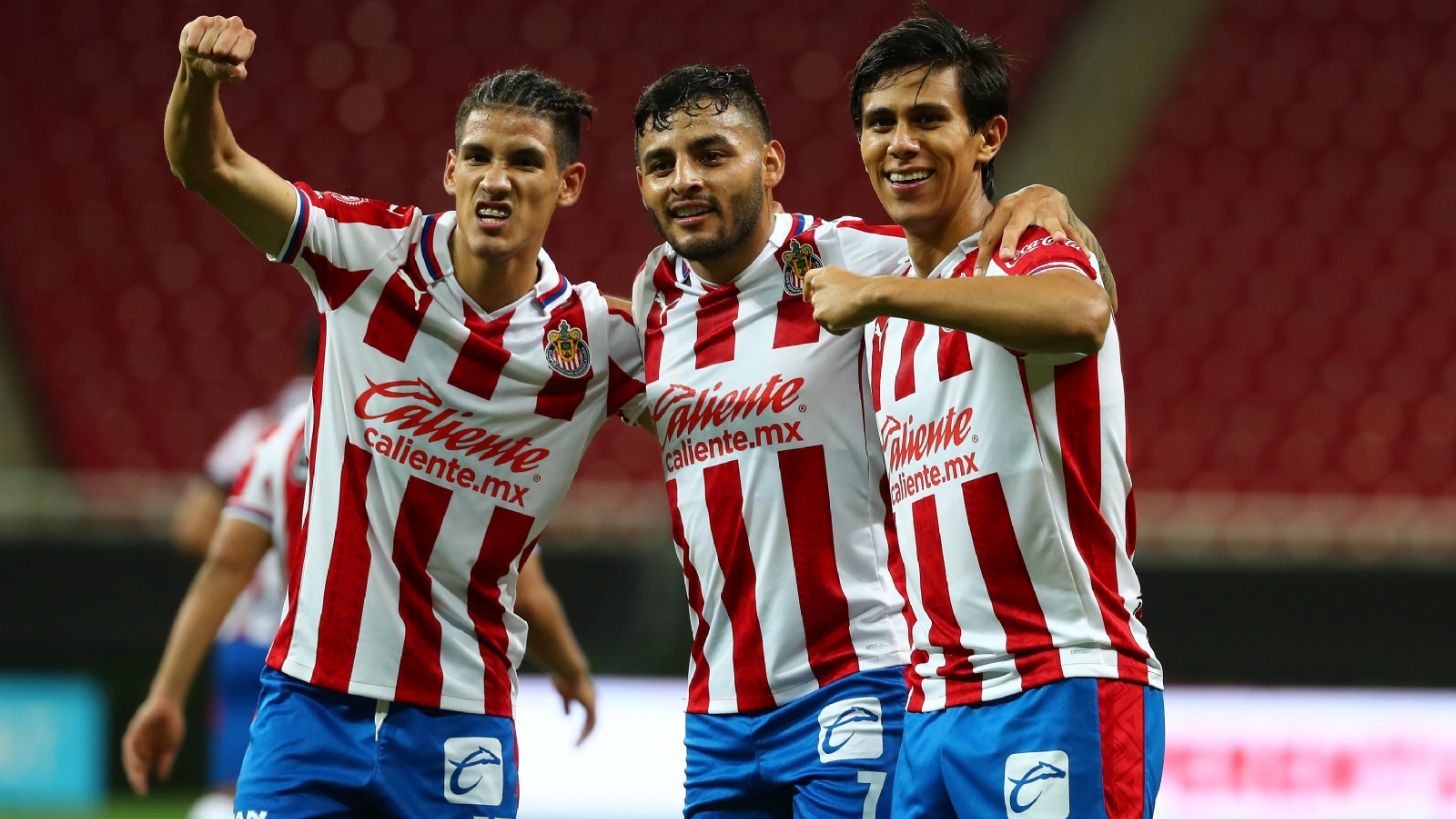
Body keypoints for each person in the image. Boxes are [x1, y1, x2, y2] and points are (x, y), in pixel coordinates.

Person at [157, 15, 644, 817]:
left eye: (525, 161)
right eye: (479, 157)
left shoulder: (598, 340)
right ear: (450, 169)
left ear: (570, 183)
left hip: (461, 720)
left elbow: (724, 409)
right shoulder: (367, 255)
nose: (497, 179)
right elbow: (207, 164)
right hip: (310, 699)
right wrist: (197, 78)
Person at [629, 64, 1106, 817]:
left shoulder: (855, 257)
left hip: (859, 678)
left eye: (713, 155)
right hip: (716, 708)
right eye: (662, 165)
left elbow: (1008, 264)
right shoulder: (653, 297)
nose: (685, 180)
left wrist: (1035, 198)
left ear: (771, 163)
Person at [801, 7, 1163, 817]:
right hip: (933, 705)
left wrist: (882, 293)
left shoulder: (1027, 248)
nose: (900, 143)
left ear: (989, 137)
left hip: (1059, 679)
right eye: (880, 123)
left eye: (929, 118)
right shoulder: (882, 293)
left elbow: (1081, 313)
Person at [122, 407, 600, 802]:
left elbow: (223, 562)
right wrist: (571, 668)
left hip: (295, 670)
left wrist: (166, 693)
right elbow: (526, 592)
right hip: (432, 685)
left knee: (233, 795)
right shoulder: (450, 438)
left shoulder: (276, 439)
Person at [163, 336, 311, 819]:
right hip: (319, 646)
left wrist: (253, 547)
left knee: (232, 794)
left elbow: (191, 528)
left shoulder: (257, 428)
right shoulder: (376, 424)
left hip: (246, 635)